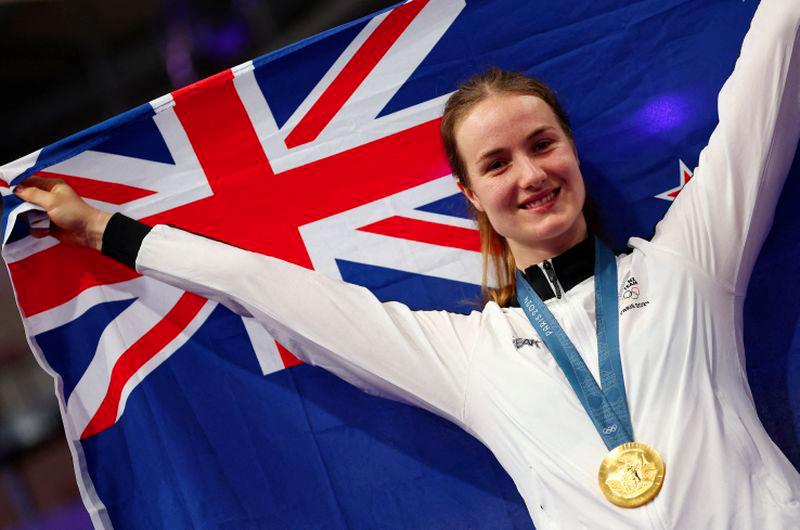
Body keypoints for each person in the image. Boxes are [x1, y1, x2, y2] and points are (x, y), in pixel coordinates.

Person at [12, 0, 800, 527]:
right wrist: (111, 232)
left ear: (573, 152)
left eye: (542, 144)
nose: (529, 174)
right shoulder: (466, 356)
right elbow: (270, 289)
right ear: (470, 194)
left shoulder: (690, 266)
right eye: (497, 164)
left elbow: (767, 75)